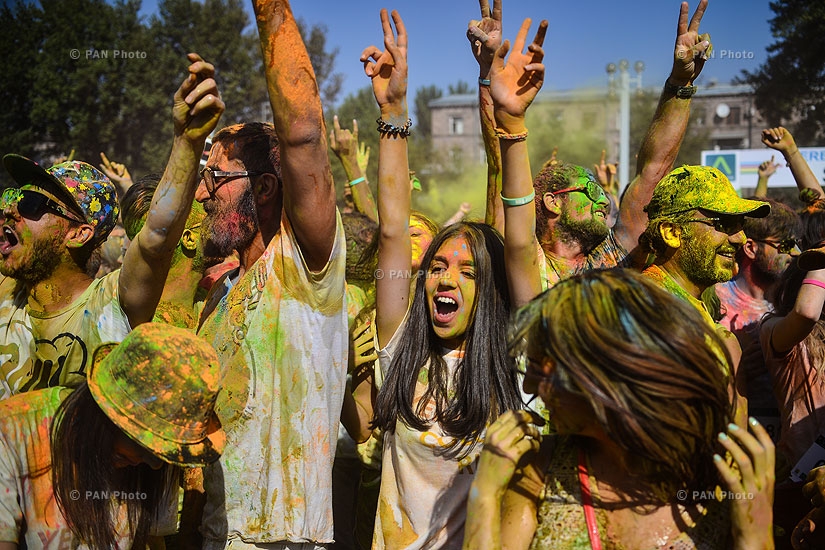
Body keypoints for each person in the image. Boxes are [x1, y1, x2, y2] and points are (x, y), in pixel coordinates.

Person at [345, 10, 536, 548]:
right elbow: (391, 231)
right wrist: (393, 113)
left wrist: (513, 128)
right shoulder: (401, 343)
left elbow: (521, 244)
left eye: (468, 272)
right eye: (437, 266)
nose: (446, 279)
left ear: (490, 290)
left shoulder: (513, 360)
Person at [464, 268, 775, 550]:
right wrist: (485, 495)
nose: (530, 387)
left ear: (601, 368)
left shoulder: (724, 481)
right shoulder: (542, 469)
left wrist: (756, 536)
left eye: (540, 366)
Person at [195, 0, 346, 546]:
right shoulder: (218, 293)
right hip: (220, 534)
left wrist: (269, 9)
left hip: (285, 538)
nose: (201, 194)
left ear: (263, 187)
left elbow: (303, 133)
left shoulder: (305, 265)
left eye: (215, 178)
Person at [0, 53, 223, 400]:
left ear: (79, 234)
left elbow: (155, 238)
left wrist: (187, 142)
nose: (11, 210)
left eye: (30, 204)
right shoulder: (7, 291)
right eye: (11, 197)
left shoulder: (111, 304)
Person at [468, 0, 714, 289]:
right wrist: (489, 73)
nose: (605, 201)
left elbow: (654, 170)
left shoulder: (612, 262)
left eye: (601, 193)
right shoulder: (522, 261)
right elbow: (499, 168)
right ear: (552, 202)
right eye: (591, 192)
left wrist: (681, 83)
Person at [0, 322, 224, 549]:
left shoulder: (140, 469)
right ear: (104, 411)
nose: (154, 464)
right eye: (146, 444)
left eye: (164, 453)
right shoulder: (11, 434)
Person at [639, 165, 771, 424]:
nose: (740, 238)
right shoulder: (645, 307)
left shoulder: (685, 305)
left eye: (741, 224)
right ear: (672, 233)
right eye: (723, 223)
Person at [715, 198, 801, 438]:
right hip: (734, 433)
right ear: (751, 248)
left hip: (790, 441)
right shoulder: (716, 300)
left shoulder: (794, 303)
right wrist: (736, 370)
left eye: (796, 243)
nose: (794, 253)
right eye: (785, 244)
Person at [120, 174, 223, 329]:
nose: (219, 221)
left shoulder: (210, 300)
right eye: (209, 216)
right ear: (189, 239)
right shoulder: (157, 329)